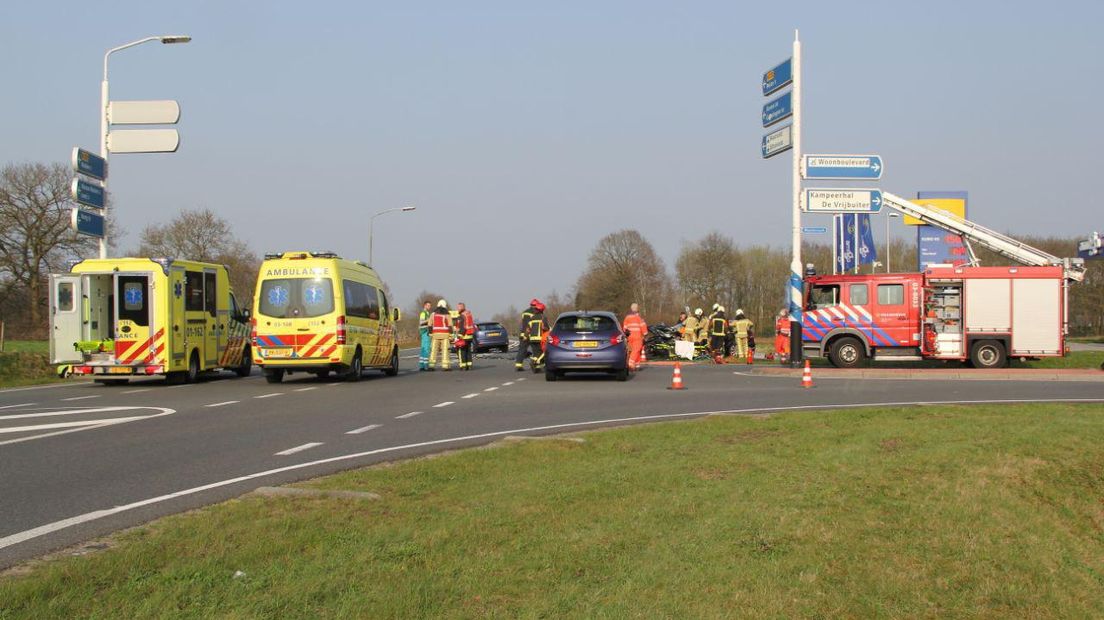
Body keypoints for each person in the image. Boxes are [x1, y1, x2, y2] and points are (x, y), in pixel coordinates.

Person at [428, 299, 453, 371]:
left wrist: (430, 333)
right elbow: (450, 325)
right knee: (445, 350)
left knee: (433, 350)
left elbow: (429, 324)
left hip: (435, 335)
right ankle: (445, 366)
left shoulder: (433, 314)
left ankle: (431, 366)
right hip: (445, 335)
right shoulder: (447, 314)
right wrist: (451, 335)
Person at [515, 299, 539, 371]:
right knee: (536, 350)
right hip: (532, 334)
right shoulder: (536, 313)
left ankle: (518, 365)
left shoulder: (524, 312)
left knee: (522, 350)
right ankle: (536, 366)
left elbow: (523, 323)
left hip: (523, 334)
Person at [623, 302, 649, 371]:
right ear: (637, 309)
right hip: (637, 336)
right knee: (636, 350)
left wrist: (625, 336)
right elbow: (643, 327)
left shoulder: (627, 317)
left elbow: (624, 328)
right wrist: (646, 334)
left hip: (629, 337)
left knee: (633, 351)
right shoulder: (639, 317)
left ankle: (637, 365)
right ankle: (630, 363)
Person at [455, 302, 476, 370]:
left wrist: (459, 335)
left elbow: (462, 327)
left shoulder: (462, 315)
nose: (457, 309)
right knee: (468, 351)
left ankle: (463, 366)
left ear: (462, 307)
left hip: (464, 335)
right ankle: (469, 365)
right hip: (470, 335)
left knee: (462, 351)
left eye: (458, 307)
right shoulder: (468, 314)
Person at [417, 300, 432, 371]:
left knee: (423, 349)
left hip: (424, 332)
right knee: (426, 348)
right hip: (425, 332)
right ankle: (425, 365)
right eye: (428, 305)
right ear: (425, 305)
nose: (429, 307)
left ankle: (421, 365)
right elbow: (421, 322)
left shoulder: (427, 313)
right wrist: (428, 320)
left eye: (430, 305)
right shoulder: (423, 313)